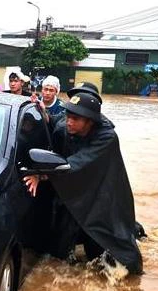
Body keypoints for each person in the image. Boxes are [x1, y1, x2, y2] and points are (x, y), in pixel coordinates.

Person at [23, 91, 143, 275]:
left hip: (103, 196)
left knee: (112, 254)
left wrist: (41, 174)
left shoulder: (106, 137)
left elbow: (76, 163)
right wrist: (43, 114)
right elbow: (55, 121)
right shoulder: (67, 125)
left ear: (90, 121)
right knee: (60, 251)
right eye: (68, 115)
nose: (69, 121)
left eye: (75, 118)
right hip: (76, 193)